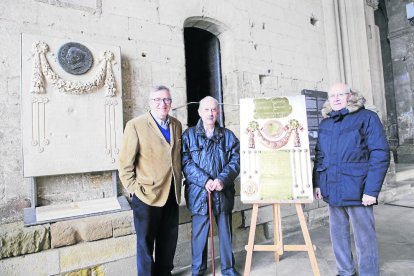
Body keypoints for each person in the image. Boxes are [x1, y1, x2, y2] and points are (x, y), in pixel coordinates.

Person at [312, 83, 390, 276]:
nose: (336, 98)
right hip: (332, 188)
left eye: (341, 94)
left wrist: (371, 190)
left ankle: (368, 273)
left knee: (364, 237)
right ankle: (345, 271)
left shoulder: (367, 118)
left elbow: (380, 154)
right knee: (337, 234)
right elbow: (320, 156)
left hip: (358, 189)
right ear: (328, 100)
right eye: (332, 96)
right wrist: (318, 183)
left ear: (350, 96)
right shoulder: (326, 123)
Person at [118, 85, 182, 276]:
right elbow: (124, 163)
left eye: (167, 100)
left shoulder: (177, 125)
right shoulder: (135, 125)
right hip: (146, 196)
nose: (163, 104)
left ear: (171, 103)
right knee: (145, 244)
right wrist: (133, 188)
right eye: (158, 100)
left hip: (172, 194)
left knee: (168, 241)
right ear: (150, 103)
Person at [182, 96, 240, 276]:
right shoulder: (188, 135)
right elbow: (185, 162)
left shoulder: (228, 135)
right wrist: (204, 180)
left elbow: (236, 160)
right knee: (199, 236)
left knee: (225, 233)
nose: (210, 113)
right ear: (199, 112)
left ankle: (228, 269)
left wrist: (222, 179)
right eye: (206, 110)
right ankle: (197, 270)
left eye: (214, 109)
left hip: (223, 192)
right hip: (200, 193)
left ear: (219, 112)